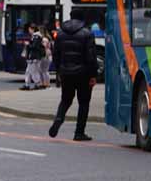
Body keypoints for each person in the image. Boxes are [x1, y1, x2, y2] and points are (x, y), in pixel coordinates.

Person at [49, 8, 98, 141]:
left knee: (65, 100)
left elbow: (56, 55)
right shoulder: (87, 33)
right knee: (83, 103)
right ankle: (79, 132)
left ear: (70, 17)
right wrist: (93, 75)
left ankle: (58, 119)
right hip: (83, 74)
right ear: (82, 18)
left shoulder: (60, 33)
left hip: (66, 73)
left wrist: (59, 71)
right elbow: (91, 56)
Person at [20, 24, 43, 90]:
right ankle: (27, 84)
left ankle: (37, 83)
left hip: (34, 57)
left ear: (32, 29)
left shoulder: (36, 37)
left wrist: (28, 44)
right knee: (28, 71)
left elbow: (34, 46)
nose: (29, 31)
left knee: (33, 71)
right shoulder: (35, 36)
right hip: (33, 57)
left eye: (29, 29)